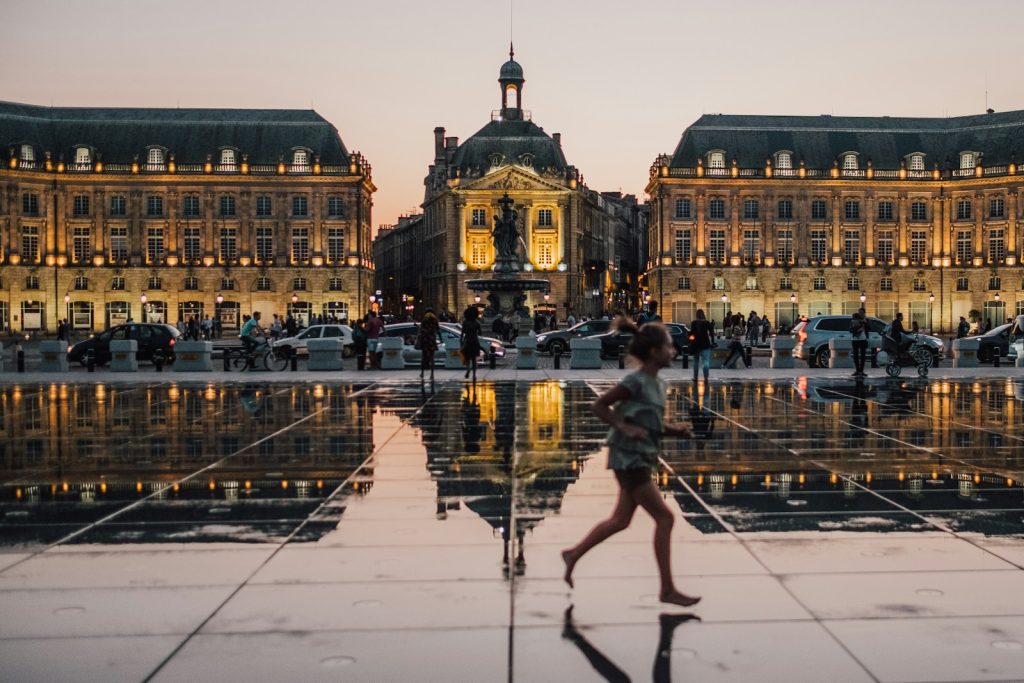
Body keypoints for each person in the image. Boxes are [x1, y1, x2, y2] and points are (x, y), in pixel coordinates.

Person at [560, 317, 701, 608]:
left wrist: (675, 430)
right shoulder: (634, 381)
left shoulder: (657, 383)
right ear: (654, 352)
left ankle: (573, 554)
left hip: (641, 456)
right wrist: (623, 427)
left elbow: (650, 422)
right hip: (629, 458)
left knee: (620, 521)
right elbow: (598, 406)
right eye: (669, 347)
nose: (673, 352)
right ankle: (667, 589)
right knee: (665, 518)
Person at [689, 309, 715, 383]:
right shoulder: (707, 322)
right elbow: (712, 333)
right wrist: (713, 342)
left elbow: (692, 334)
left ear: (696, 315)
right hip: (705, 344)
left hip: (696, 344)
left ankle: (695, 377)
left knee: (696, 361)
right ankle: (706, 377)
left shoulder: (694, 323)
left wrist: (690, 339)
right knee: (706, 361)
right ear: (703, 314)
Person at [460, 306, 482, 381]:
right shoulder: (477, 323)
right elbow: (480, 333)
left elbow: (462, 333)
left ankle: (468, 368)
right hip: (475, 341)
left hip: (467, 340)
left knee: (467, 358)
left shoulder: (465, 322)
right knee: (474, 359)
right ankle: (474, 375)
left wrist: (461, 341)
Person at [418, 307, 440, 381]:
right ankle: (432, 374)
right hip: (432, 340)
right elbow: (438, 329)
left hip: (425, 339)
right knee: (432, 358)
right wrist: (441, 339)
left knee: (423, 357)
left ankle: (422, 373)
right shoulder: (435, 319)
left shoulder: (424, 319)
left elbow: (421, 329)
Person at [850, 308, 868, 377]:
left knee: (863, 356)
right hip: (855, 340)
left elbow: (869, 328)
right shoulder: (853, 321)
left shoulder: (865, 320)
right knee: (856, 356)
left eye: (862, 313)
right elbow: (850, 329)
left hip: (863, 339)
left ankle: (861, 371)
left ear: (864, 313)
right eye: (859, 312)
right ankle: (857, 370)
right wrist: (856, 330)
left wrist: (865, 322)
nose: (860, 314)